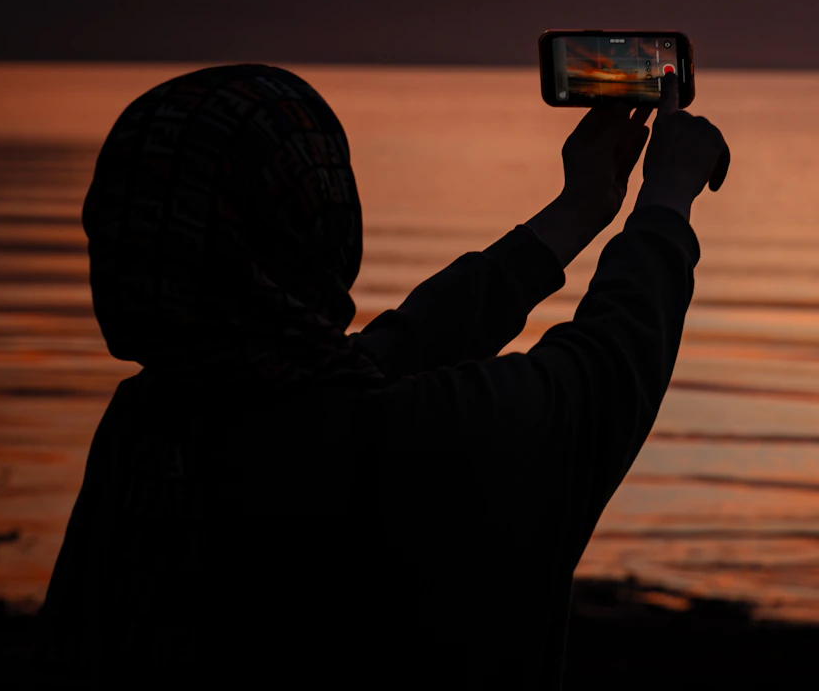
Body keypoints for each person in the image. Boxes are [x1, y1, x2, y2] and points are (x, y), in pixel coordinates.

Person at [41, 63, 729, 688]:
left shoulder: (149, 421)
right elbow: (601, 381)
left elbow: (387, 352)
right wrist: (665, 202)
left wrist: (578, 211)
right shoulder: (393, 445)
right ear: (318, 216)